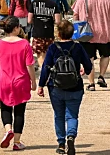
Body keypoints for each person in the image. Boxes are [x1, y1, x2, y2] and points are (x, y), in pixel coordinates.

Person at [37, 19, 93, 155]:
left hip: (56, 87)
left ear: (58, 33)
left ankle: (61, 144)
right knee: (72, 115)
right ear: (72, 32)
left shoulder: (52, 48)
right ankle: (71, 137)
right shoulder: (78, 47)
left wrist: (41, 85)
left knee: (59, 115)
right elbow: (89, 66)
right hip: (75, 86)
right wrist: (84, 70)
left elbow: (45, 68)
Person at [0, 17, 36, 150]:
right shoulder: (24, 44)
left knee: (5, 108)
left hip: (4, 81)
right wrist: (33, 81)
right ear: (16, 28)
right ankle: (17, 142)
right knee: (19, 111)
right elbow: (29, 65)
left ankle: (8, 130)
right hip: (20, 81)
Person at [71, 0, 110, 91]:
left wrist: (75, 28)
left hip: (86, 34)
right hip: (105, 32)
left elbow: (75, 15)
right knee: (106, 55)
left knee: (89, 58)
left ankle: (91, 83)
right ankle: (102, 76)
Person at [29, 0, 62, 69]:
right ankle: (48, 70)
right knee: (48, 53)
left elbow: (29, 20)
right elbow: (58, 21)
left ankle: (43, 72)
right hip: (49, 32)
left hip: (37, 32)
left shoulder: (34, 3)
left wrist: (36, 21)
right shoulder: (53, 4)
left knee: (40, 54)